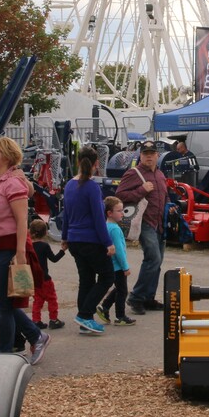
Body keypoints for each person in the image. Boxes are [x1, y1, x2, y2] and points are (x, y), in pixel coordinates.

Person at [0, 136, 50, 364]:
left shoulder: (11, 183)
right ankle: (30, 337)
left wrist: (19, 252)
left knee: (1, 301)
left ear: (6, 157)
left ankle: (11, 345)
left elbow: (21, 220)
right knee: (1, 301)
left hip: (6, 247)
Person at [63, 145, 114, 334]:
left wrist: (64, 237)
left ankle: (85, 320)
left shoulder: (69, 185)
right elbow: (99, 218)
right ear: (96, 164)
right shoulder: (92, 187)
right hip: (90, 240)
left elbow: (66, 213)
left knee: (86, 279)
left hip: (74, 240)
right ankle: (85, 314)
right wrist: (108, 242)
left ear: (77, 162)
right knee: (107, 276)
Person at [115, 140, 168, 316]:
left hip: (159, 222)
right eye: (145, 154)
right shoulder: (133, 173)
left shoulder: (160, 174)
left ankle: (148, 297)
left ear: (157, 156)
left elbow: (163, 197)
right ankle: (136, 297)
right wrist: (142, 190)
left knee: (157, 261)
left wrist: (171, 206)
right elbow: (120, 195)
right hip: (144, 222)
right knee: (153, 258)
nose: (149, 157)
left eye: (152, 154)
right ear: (140, 156)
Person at [96, 196, 135, 327]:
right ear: (109, 213)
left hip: (110, 265)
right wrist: (125, 267)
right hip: (118, 266)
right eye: (119, 210)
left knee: (118, 288)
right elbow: (118, 250)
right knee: (123, 291)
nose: (122, 213)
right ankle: (120, 316)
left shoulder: (105, 226)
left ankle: (105, 307)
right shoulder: (115, 229)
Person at [29, 219, 66, 330]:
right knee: (51, 298)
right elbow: (54, 259)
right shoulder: (44, 246)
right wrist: (62, 250)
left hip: (33, 279)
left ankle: (36, 320)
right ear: (45, 233)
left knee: (37, 300)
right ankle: (53, 319)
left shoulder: (29, 246)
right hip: (44, 278)